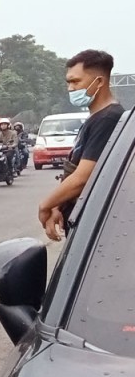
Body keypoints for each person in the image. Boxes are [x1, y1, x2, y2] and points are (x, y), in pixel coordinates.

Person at [38, 49, 124, 241]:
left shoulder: (109, 119)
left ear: (99, 82)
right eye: (68, 82)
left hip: (94, 225)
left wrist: (45, 205)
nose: (70, 88)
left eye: (76, 81)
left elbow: (82, 178)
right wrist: (58, 206)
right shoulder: (95, 118)